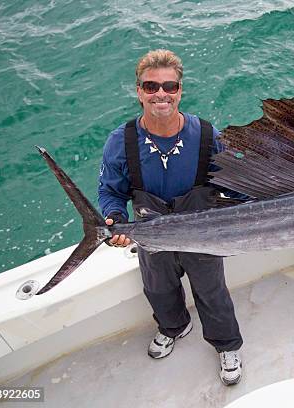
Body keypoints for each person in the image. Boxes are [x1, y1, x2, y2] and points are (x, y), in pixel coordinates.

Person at [98, 49, 243, 386]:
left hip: (202, 233)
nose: (160, 94)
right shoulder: (120, 142)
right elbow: (110, 191)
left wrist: (265, 199)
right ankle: (173, 328)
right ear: (139, 91)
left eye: (169, 86)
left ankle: (226, 345)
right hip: (150, 232)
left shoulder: (208, 135)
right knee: (158, 288)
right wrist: (115, 216)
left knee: (212, 290)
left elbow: (234, 184)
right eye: (151, 86)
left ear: (180, 90)